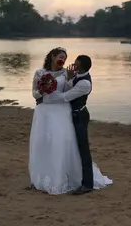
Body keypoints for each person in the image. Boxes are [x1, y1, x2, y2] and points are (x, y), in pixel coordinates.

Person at [28, 48, 112, 195]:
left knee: (61, 144)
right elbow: (35, 94)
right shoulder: (39, 73)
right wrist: (42, 91)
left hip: (61, 112)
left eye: (65, 58)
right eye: (61, 57)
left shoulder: (66, 74)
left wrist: (66, 80)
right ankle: (41, 178)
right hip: (44, 114)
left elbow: (66, 92)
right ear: (53, 57)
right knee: (43, 144)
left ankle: (65, 178)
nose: (63, 60)